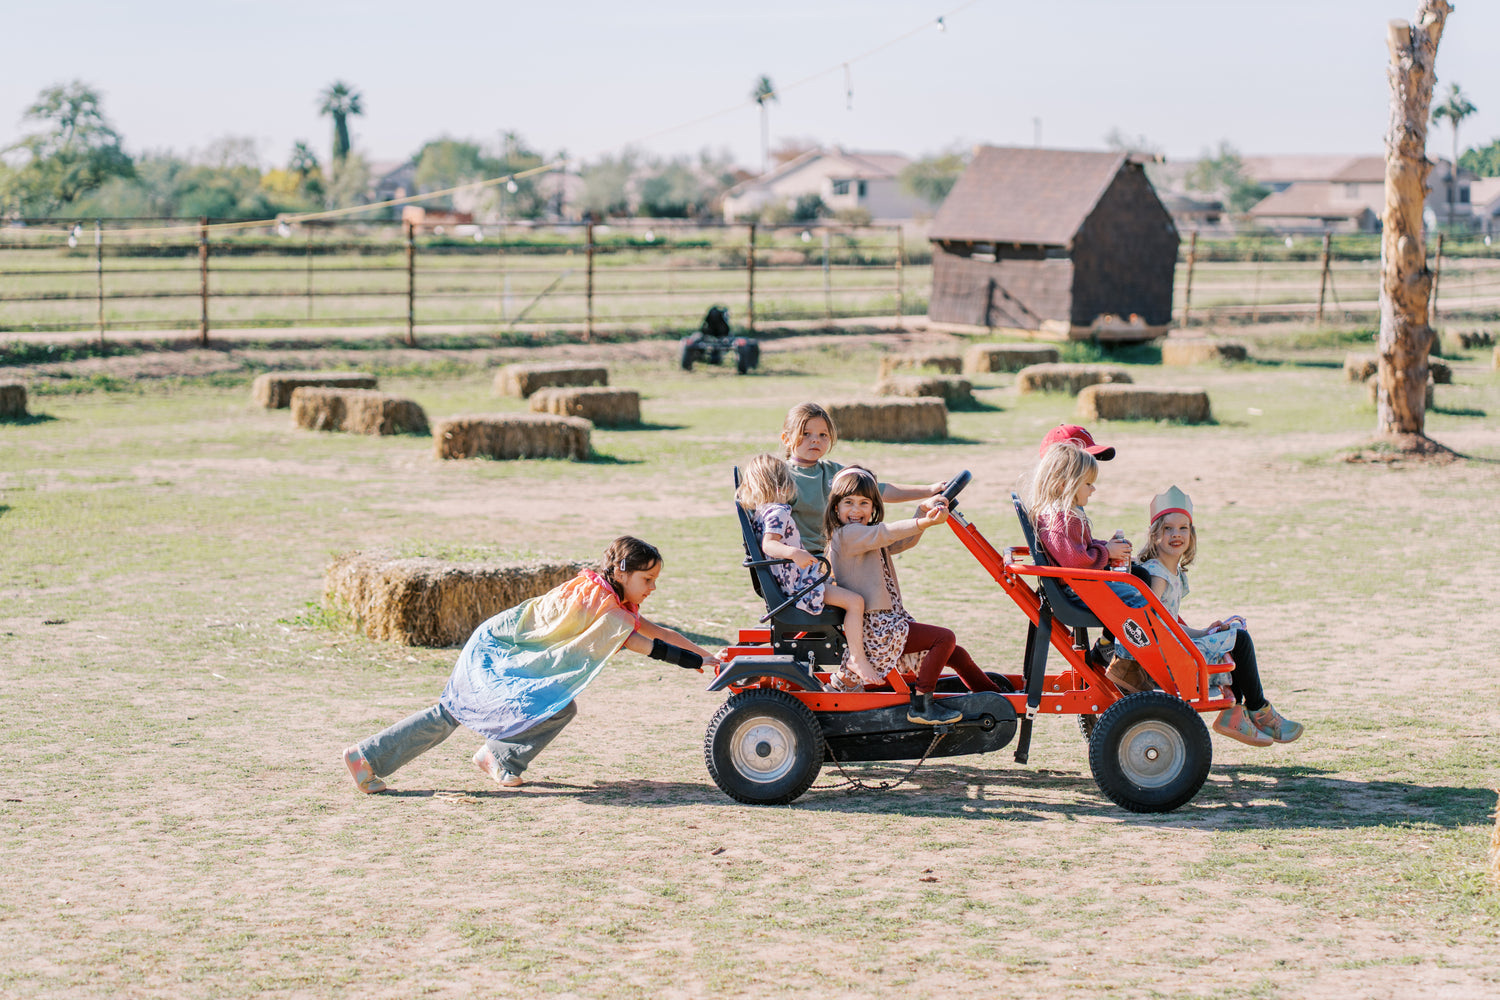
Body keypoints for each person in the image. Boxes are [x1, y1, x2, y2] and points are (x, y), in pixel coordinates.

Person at [342, 537, 720, 794]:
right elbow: (646, 644)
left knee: (556, 705)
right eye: (648, 579)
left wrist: (706, 655)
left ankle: (498, 756)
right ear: (622, 572)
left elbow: (660, 631)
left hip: (511, 650)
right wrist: (694, 664)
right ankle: (367, 757)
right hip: (502, 651)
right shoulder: (601, 608)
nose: (652, 588)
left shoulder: (607, 597)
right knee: (452, 713)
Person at [823, 466, 1002, 725]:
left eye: (864, 503)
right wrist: (925, 521)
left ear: (873, 507)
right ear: (835, 508)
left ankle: (998, 697)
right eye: (848, 503)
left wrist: (921, 512)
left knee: (956, 653)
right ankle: (922, 703)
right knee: (944, 638)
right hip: (878, 629)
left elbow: (900, 541)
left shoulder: (864, 536)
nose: (856, 510)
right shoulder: (847, 535)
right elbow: (885, 533)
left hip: (889, 621)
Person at [1136, 487, 1303, 747]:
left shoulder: (1173, 573)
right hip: (1165, 658)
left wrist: (1203, 633)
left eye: (1183, 528)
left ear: (1191, 534)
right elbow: (1152, 626)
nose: (1176, 534)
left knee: (1230, 635)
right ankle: (1258, 711)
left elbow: (1168, 624)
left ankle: (1236, 713)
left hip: (1172, 647)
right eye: (1168, 529)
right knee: (1240, 640)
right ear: (1155, 534)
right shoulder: (1157, 576)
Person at [1024, 440, 1153, 694]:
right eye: (1088, 484)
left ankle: (1120, 654)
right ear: (1065, 485)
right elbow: (1077, 562)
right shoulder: (1060, 519)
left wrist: (1108, 547)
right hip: (1079, 591)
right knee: (1139, 602)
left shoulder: (1064, 514)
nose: (1093, 489)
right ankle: (1128, 663)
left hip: (1081, 587)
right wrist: (1107, 552)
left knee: (1139, 587)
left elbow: (1079, 548)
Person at [736, 453, 877, 683]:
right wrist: (794, 553)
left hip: (794, 583)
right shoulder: (777, 512)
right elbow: (769, 545)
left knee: (846, 590)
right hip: (801, 587)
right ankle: (857, 658)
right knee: (856, 601)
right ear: (782, 484)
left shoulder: (761, 513)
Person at [779, 402, 946, 556]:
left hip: (843, 551)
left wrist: (930, 490)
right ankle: (923, 519)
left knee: (890, 543)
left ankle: (922, 515)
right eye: (806, 433)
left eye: (823, 434)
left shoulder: (834, 471)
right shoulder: (781, 477)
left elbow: (880, 491)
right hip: (811, 560)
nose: (815, 439)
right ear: (786, 439)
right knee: (884, 538)